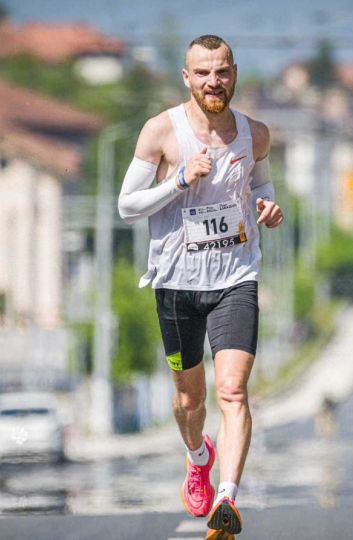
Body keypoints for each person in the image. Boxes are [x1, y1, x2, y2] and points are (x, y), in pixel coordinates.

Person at [118, 34, 284, 539]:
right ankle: (197, 458)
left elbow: (261, 185)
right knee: (189, 402)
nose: (215, 81)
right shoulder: (160, 133)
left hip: (236, 276)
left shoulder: (255, 134)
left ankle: (228, 502)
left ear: (235, 73)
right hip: (175, 286)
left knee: (232, 390)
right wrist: (180, 181)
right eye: (204, 73)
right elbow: (127, 205)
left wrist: (269, 208)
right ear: (187, 78)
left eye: (223, 71)